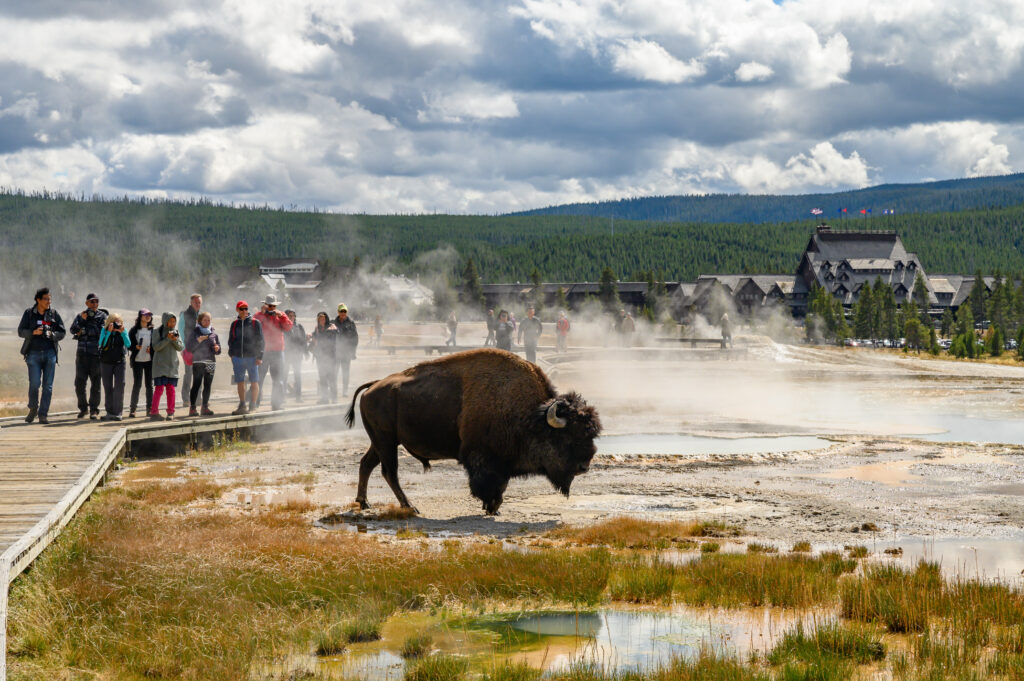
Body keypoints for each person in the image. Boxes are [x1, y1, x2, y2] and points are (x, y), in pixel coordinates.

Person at [18, 287, 66, 424]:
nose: (49, 301)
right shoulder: (29, 313)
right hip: (33, 353)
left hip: (50, 353)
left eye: (50, 299)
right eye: (46, 299)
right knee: (34, 384)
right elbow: (20, 331)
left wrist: (53, 335)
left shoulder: (54, 314)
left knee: (48, 386)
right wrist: (33, 332)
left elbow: (62, 332)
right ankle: (33, 408)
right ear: (38, 300)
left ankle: (43, 414)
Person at [69, 292, 108, 419]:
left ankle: (94, 410)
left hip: (96, 354)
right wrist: (82, 320)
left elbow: (102, 331)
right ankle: (83, 408)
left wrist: (86, 328)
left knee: (95, 383)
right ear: (86, 303)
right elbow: (72, 329)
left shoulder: (103, 316)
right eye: (92, 301)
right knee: (79, 384)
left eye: (96, 301)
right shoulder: (81, 315)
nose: (94, 304)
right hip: (81, 354)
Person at [254, 294, 293, 410]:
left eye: (273, 306)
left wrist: (282, 316)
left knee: (278, 379)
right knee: (259, 378)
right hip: (263, 351)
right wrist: (262, 314)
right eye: (269, 306)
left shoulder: (281, 315)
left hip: (278, 351)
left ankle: (276, 404)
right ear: (265, 305)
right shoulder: (259, 316)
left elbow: (288, 327)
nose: (271, 308)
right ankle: (255, 403)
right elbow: (252, 326)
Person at [228, 300, 264, 415]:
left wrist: (260, 356)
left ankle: (253, 405)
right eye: (242, 309)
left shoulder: (255, 322)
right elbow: (231, 340)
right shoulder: (234, 324)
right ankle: (242, 404)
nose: (244, 311)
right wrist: (232, 354)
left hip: (252, 357)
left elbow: (261, 341)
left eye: (246, 308)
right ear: (237, 310)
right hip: (238, 357)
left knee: (254, 381)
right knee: (240, 381)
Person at [185, 311, 221, 416]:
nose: (207, 322)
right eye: (205, 320)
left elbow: (218, 351)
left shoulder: (213, 333)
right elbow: (189, 348)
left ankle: (204, 407)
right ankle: (192, 408)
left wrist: (217, 348)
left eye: (209, 320)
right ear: (200, 321)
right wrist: (198, 341)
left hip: (210, 362)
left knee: (208, 385)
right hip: (198, 362)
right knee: (196, 384)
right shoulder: (195, 332)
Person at [150, 312, 184, 421]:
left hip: (172, 366)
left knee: (171, 389)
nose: (173, 323)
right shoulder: (157, 332)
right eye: (171, 321)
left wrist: (174, 339)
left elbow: (180, 347)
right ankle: (154, 412)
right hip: (160, 366)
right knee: (159, 389)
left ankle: (171, 412)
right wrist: (167, 339)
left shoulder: (175, 332)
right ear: (165, 321)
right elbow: (156, 347)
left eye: (174, 321)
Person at [98, 313, 130, 421]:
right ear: (109, 322)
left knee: (119, 387)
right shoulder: (104, 330)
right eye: (114, 321)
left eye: (118, 321)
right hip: (106, 362)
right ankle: (109, 412)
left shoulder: (122, 330)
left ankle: (118, 412)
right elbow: (101, 344)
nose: (116, 324)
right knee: (108, 387)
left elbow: (128, 344)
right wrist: (108, 333)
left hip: (119, 362)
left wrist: (122, 333)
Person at [128, 309, 154, 418]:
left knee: (149, 385)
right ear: (140, 316)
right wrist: (135, 347)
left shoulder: (153, 330)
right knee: (137, 385)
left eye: (149, 314)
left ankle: (150, 409)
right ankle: (133, 409)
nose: (148, 316)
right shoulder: (134, 330)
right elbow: (128, 345)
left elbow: (156, 346)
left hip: (149, 361)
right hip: (137, 360)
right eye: (145, 315)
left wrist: (151, 350)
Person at [178, 293, 203, 408]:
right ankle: (186, 399)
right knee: (189, 373)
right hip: (188, 349)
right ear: (191, 302)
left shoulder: (202, 315)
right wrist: (183, 348)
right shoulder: (184, 314)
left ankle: (198, 398)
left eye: (199, 302)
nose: (198, 304)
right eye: (195, 302)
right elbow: (180, 331)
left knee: (199, 373)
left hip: (200, 350)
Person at [309, 311, 338, 404]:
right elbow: (314, 341)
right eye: (320, 318)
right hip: (320, 357)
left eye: (323, 318)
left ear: (326, 319)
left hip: (330, 357)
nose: (322, 320)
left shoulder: (332, 327)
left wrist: (318, 340)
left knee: (332, 378)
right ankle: (325, 398)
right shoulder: (317, 329)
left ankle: (334, 398)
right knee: (323, 378)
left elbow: (331, 341)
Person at [334, 303, 358, 396]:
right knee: (335, 372)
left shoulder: (351, 323)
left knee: (345, 372)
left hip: (346, 352)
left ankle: (345, 391)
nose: (343, 313)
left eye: (344, 311)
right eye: (341, 311)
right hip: (336, 352)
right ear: (338, 312)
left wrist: (353, 351)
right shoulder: (333, 323)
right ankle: (334, 390)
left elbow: (355, 338)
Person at [283, 309, 307, 402]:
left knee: (297, 376)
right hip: (287, 354)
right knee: (284, 376)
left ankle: (298, 397)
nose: (292, 317)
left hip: (297, 355)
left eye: (293, 315)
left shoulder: (299, 327)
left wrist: (305, 351)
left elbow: (303, 340)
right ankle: (282, 397)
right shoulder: (283, 326)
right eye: (289, 315)